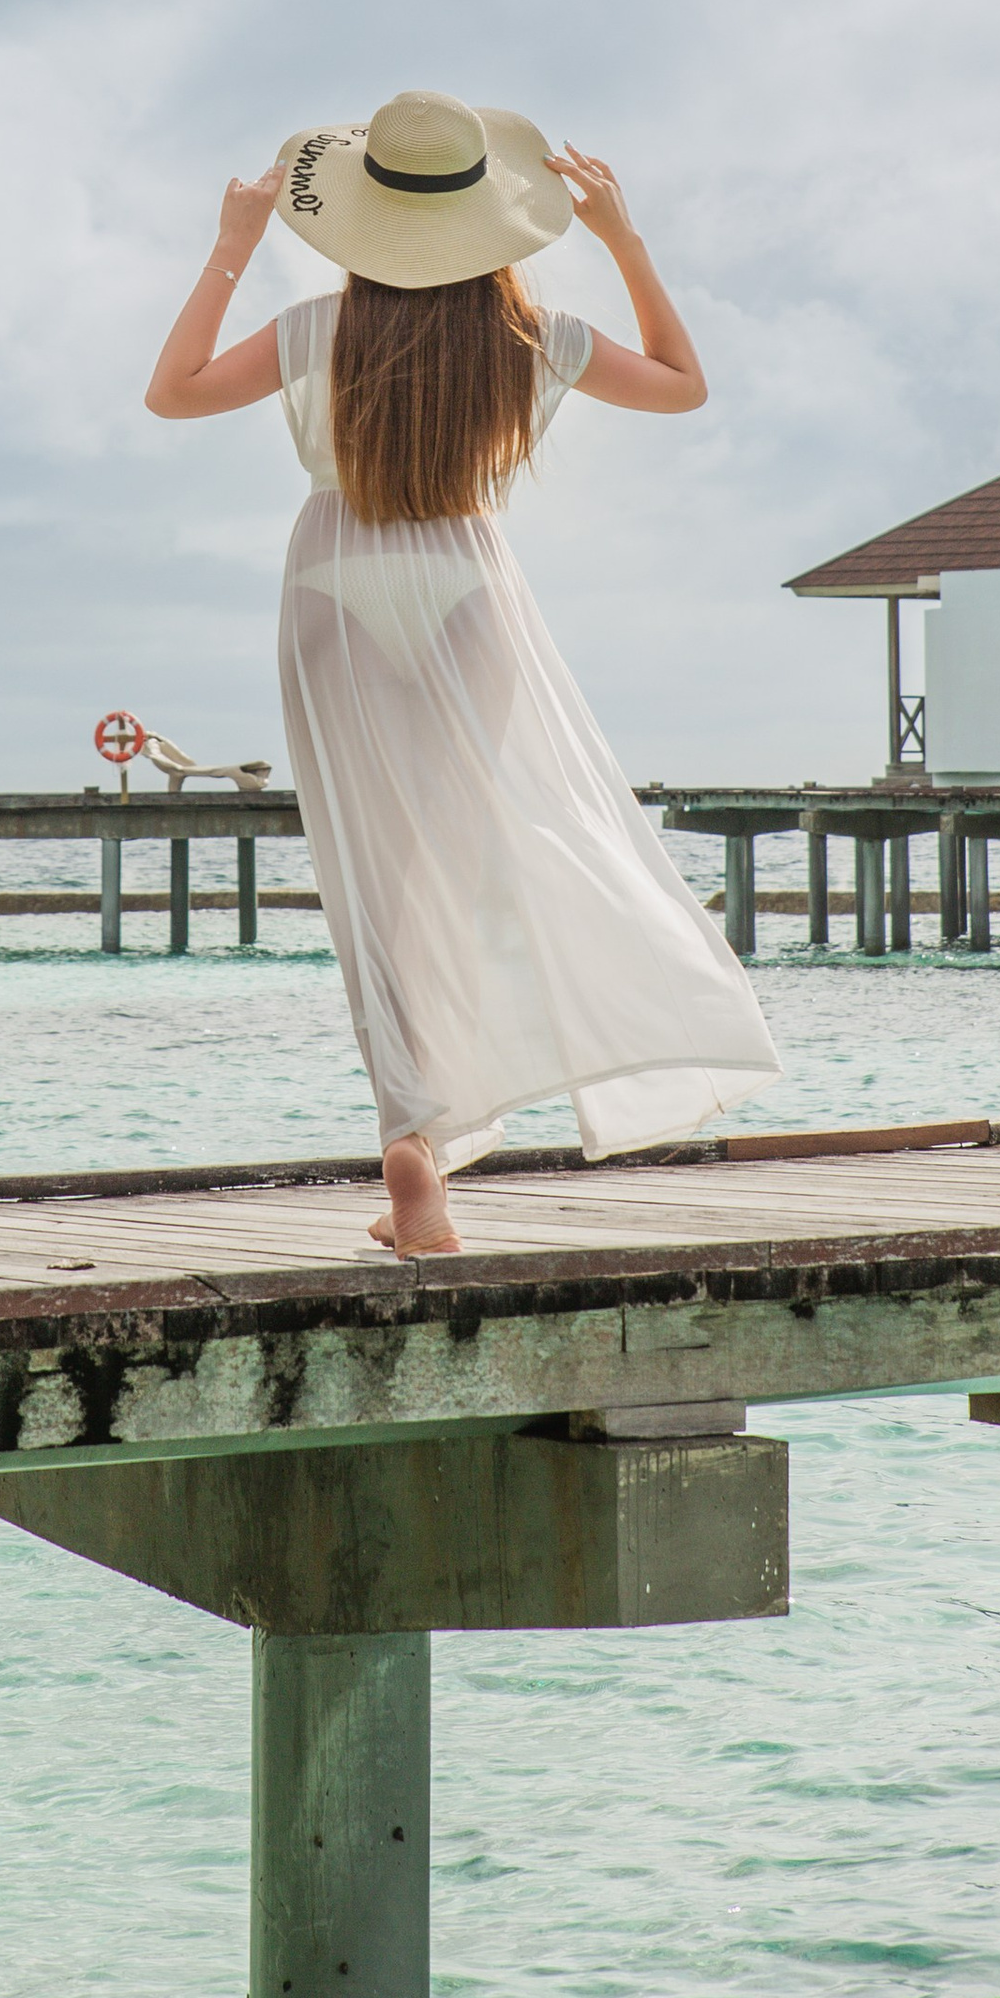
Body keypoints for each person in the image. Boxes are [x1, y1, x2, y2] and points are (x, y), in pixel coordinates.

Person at [144, 88, 781, 1255]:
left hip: (334, 573)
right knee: (468, 857)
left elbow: (171, 391)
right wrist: (624, 240)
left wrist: (231, 249)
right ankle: (442, 1141)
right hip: (464, 577)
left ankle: (412, 1155)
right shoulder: (535, 341)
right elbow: (685, 383)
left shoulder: (313, 331)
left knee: (373, 888)